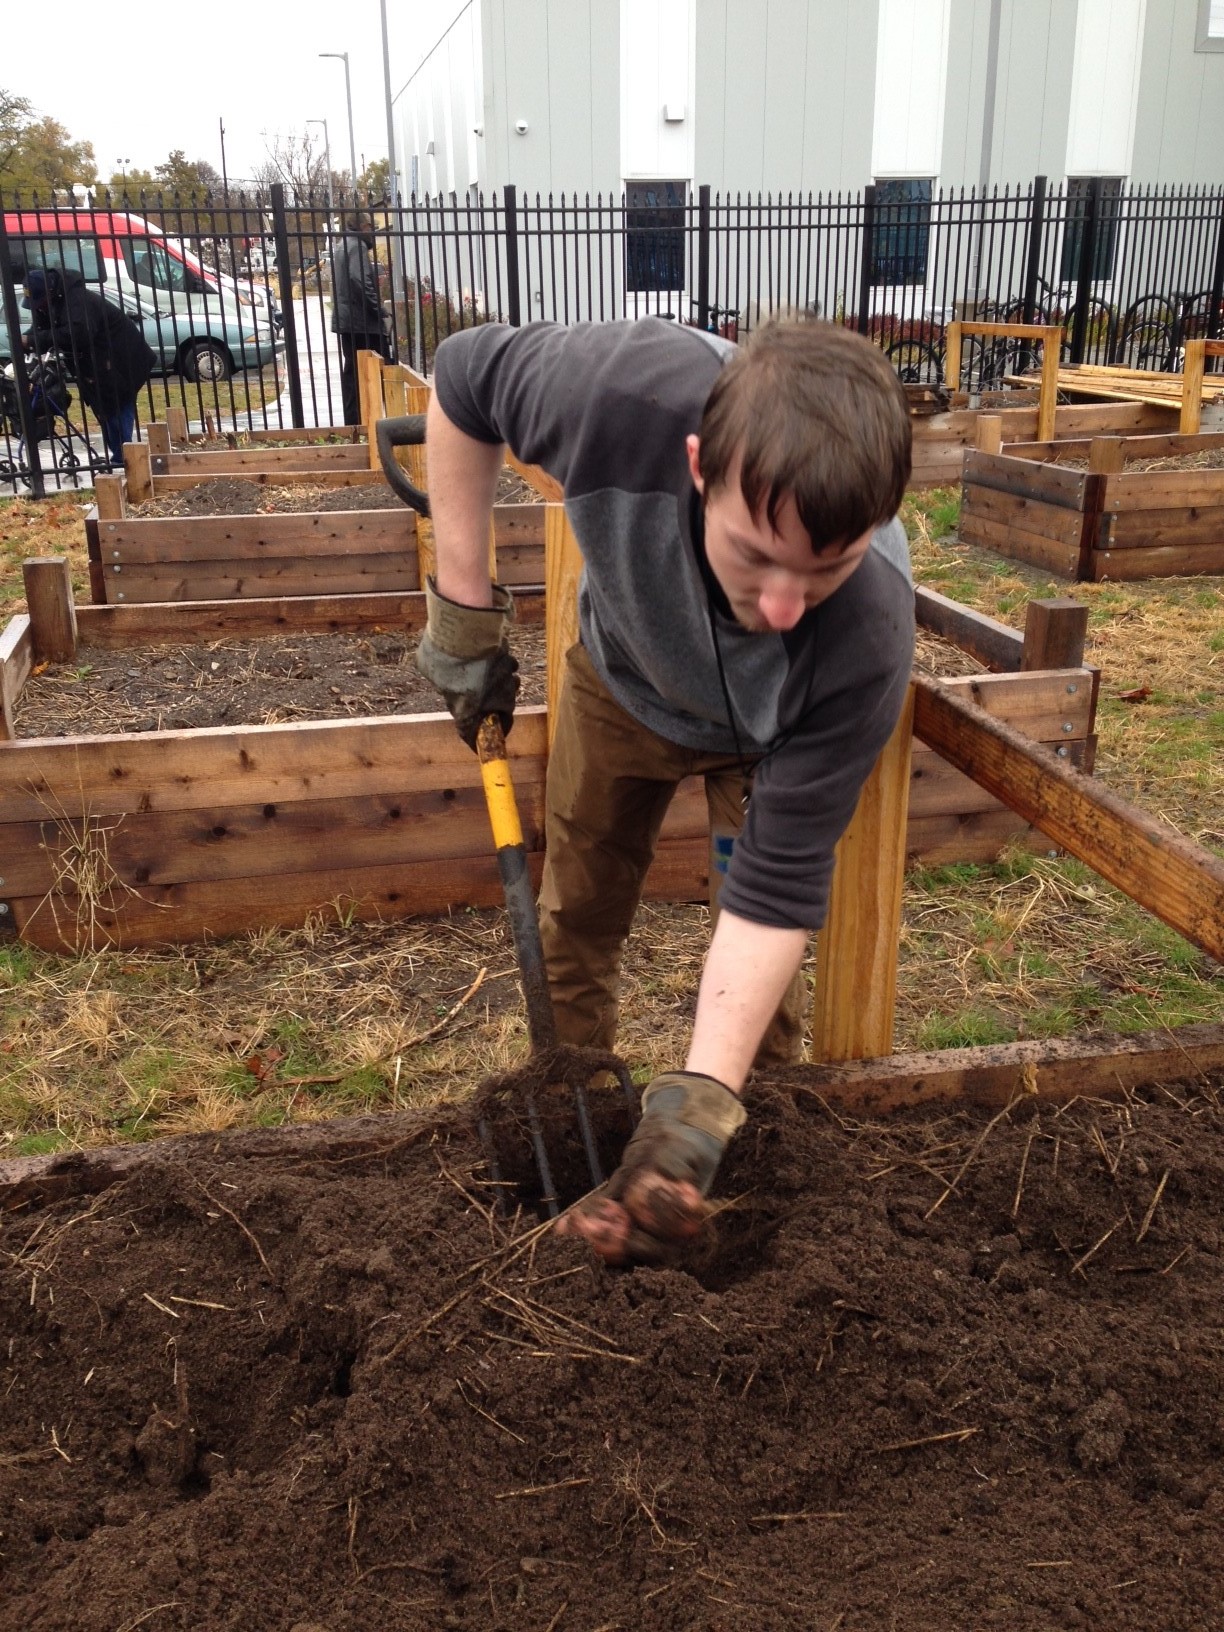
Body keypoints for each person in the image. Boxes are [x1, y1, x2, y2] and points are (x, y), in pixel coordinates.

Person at [417, 316, 914, 1264]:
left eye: (825, 570)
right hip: (625, 677)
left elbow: (774, 894)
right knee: (580, 906)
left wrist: (690, 1115)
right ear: (698, 465)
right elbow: (460, 380)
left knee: (763, 1001)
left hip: (767, 738)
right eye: (755, 554)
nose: (781, 607)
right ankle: (578, 1119)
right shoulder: (614, 397)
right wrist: (461, 607)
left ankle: (731, 1159)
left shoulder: (866, 642)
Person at [22, 266, 154, 469]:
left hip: (122, 359)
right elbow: (41, 328)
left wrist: (33, 339)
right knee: (104, 409)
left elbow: (78, 334)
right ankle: (121, 457)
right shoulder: (51, 303)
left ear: (49, 293)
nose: (38, 308)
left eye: (40, 302)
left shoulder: (77, 300)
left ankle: (125, 459)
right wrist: (30, 340)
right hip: (96, 364)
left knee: (116, 406)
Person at [330, 210, 391, 427]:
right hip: (361, 322)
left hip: (348, 321)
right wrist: (377, 309)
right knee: (380, 368)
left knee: (353, 372)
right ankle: (374, 421)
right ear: (361, 227)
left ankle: (354, 422)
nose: (372, 231)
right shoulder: (357, 246)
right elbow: (359, 280)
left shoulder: (342, 245)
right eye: (370, 227)